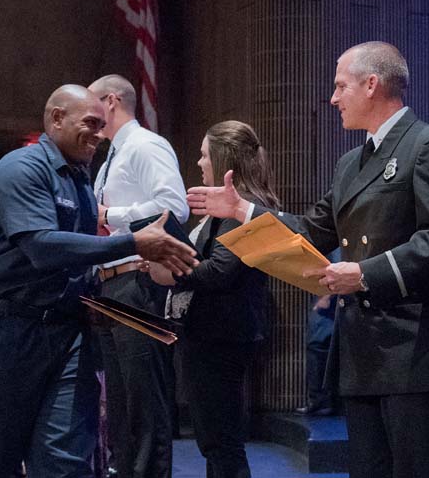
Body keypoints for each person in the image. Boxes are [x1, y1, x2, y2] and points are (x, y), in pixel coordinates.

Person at [187, 42, 429, 478]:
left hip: (415, 352)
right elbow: (310, 230)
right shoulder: (350, 164)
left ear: (372, 84)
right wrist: (242, 210)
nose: (333, 97)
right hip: (365, 354)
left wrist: (364, 273)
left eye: (341, 85)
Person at [0, 84, 197, 478]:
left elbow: (76, 260)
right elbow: (42, 247)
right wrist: (132, 242)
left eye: (102, 125)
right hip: (1, 332)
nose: (99, 133)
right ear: (56, 119)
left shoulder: (80, 178)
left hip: (64, 333)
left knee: (65, 462)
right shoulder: (21, 169)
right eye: (90, 124)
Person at [150, 120, 280, 478]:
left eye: (205, 155)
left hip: (221, 337)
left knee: (221, 442)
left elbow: (220, 271)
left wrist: (170, 267)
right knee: (215, 441)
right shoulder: (226, 211)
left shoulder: (245, 209)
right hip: (212, 334)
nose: (199, 162)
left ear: (223, 159)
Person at [88, 74, 188, 478]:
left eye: (92, 105)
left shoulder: (146, 145)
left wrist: (108, 216)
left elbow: (173, 207)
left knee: (144, 404)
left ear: (111, 101)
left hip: (138, 282)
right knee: (121, 406)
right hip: (110, 284)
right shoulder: (112, 156)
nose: (87, 115)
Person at [295, 293, 336, 416]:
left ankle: (321, 401)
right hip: (329, 293)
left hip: (330, 293)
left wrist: (326, 296)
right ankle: (323, 400)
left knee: (317, 344)